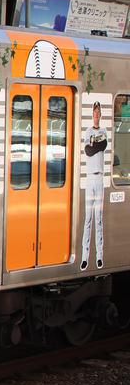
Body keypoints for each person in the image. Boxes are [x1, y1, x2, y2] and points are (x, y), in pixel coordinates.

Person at [81, 101, 107, 271]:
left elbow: (102, 145)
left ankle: (99, 257)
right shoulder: (88, 131)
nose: (96, 115)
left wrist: (94, 145)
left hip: (100, 179)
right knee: (88, 219)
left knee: (98, 220)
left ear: (101, 114)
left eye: (98, 112)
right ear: (92, 114)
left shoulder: (104, 131)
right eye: (94, 112)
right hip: (89, 179)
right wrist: (95, 146)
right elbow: (88, 151)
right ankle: (84, 257)